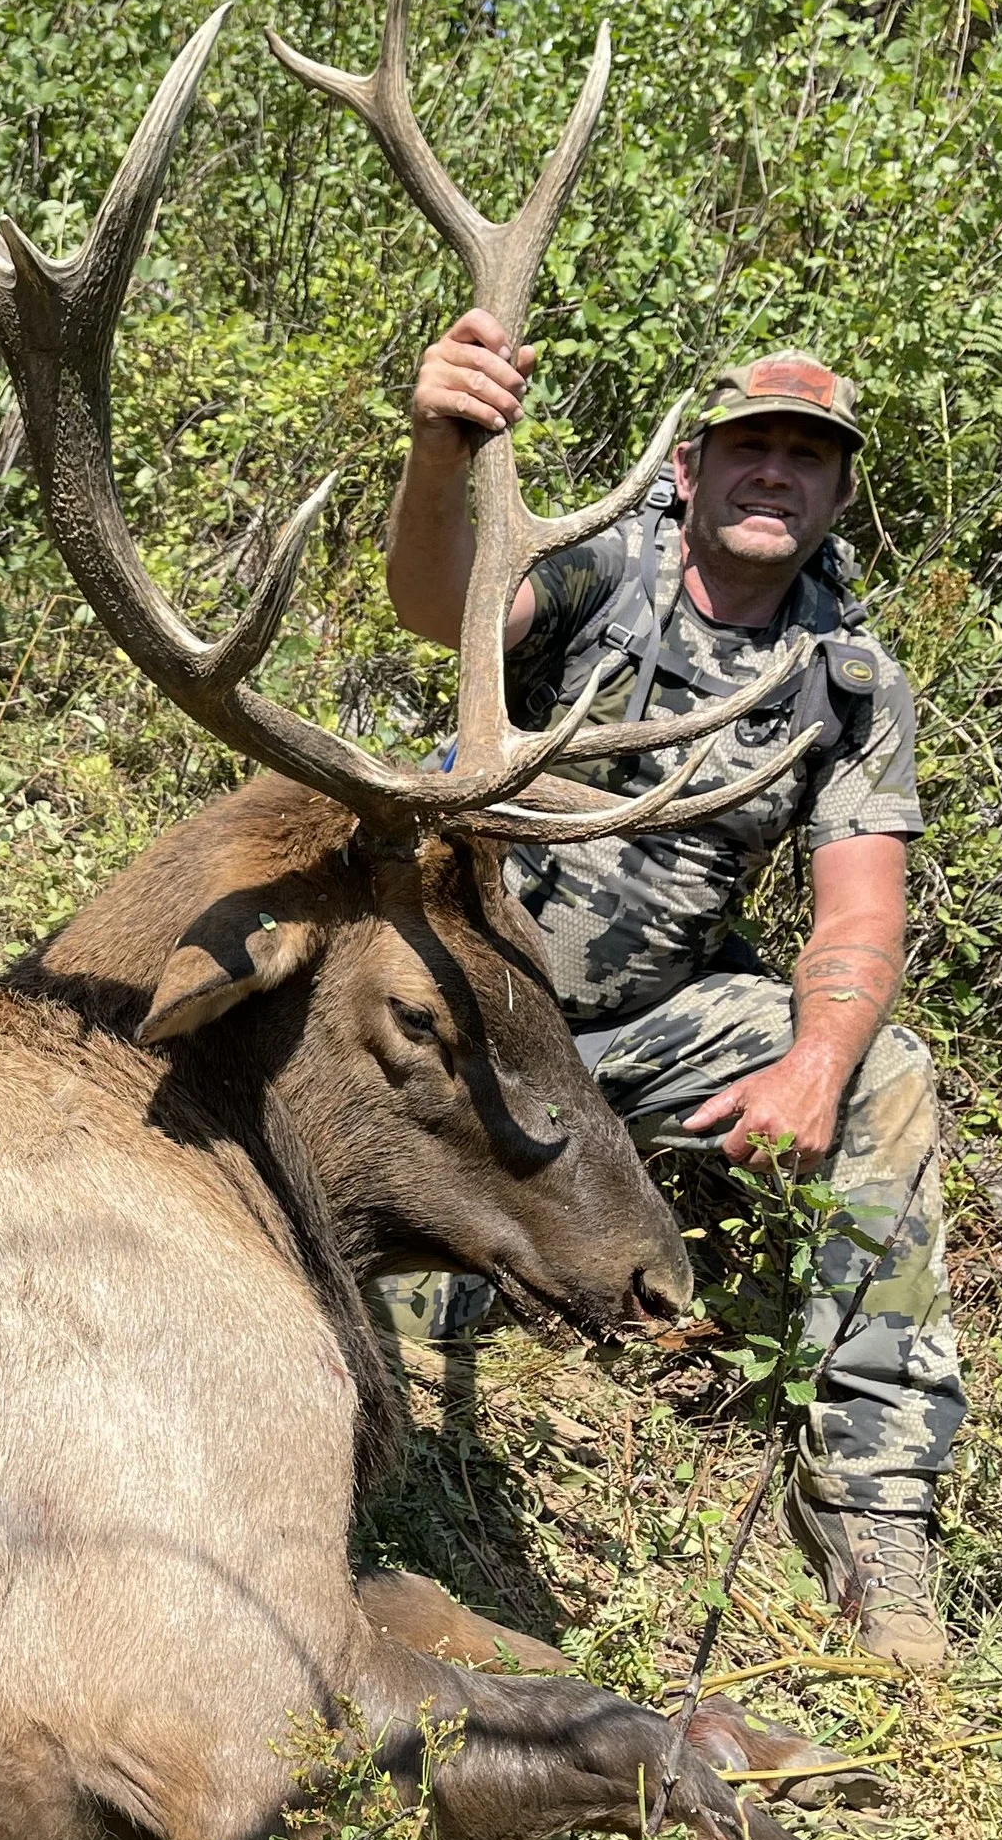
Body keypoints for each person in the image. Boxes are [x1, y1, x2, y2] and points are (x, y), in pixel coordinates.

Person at [382, 320, 964, 1674]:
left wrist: (816, 1064)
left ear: (837, 491)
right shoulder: (602, 567)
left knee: (882, 1070)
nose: (777, 473)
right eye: (752, 444)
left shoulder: (849, 677)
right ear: (692, 468)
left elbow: (860, 907)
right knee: (401, 1325)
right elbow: (436, 598)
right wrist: (439, 447)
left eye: (808, 456)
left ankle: (874, 1503)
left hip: (644, 1033)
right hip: (456, 998)